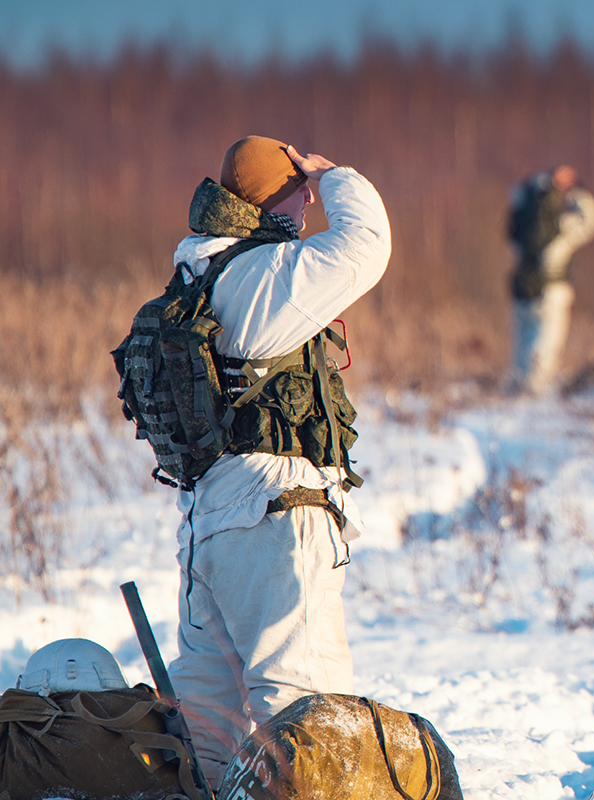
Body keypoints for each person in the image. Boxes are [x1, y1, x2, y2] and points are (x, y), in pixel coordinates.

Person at [165, 135, 390, 785]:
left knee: (211, 723)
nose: (309, 207)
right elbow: (365, 246)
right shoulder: (262, 276)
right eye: (303, 196)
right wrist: (337, 176)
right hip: (275, 509)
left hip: (210, 516)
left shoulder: (195, 272)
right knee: (304, 711)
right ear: (280, 200)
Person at [506, 165, 594, 395]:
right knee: (545, 349)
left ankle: (518, 393)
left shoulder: (520, 228)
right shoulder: (561, 227)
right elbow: (593, 219)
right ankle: (535, 395)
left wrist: (541, 181)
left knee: (521, 351)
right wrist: (574, 189)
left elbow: (515, 197)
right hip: (552, 292)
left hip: (522, 291)